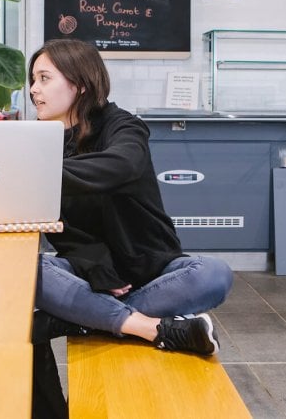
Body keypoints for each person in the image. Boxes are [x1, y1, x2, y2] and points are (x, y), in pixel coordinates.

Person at [30, 38, 233, 355]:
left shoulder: (124, 126)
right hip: (92, 275)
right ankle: (149, 328)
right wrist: (95, 267)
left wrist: (36, 171)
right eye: (33, 80)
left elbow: (121, 165)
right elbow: (63, 231)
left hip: (150, 270)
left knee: (213, 276)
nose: (33, 89)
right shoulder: (42, 142)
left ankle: (82, 319)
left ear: (80, 83)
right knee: (31, 271)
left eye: (44, 78)